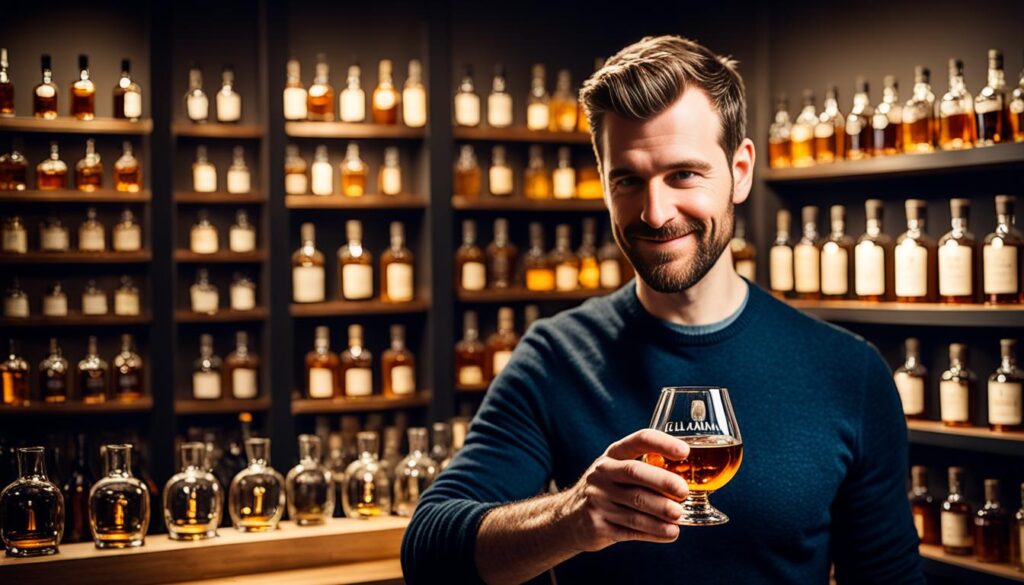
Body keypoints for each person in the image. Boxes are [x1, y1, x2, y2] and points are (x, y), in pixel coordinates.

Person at [402, 35, 924, 584]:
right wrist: (570, 518)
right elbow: (429, 555)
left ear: (740, 171)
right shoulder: (555, 356)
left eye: (683, 175)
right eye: (628, 180)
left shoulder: (849, 371)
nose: (655, 213)